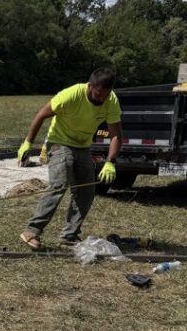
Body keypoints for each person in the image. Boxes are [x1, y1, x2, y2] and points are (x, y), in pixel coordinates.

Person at [18, 67, 123, 250]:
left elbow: (116, 135)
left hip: (82, 145)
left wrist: (110, 162)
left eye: (105, 96)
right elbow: (41, 115)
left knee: (87, 190)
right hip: (59, 141)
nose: (101, 99)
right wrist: (27, 143)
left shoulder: (111, 100)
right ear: (90, 86)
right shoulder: (71, 95)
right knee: (59, 183)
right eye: (98, 95)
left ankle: (69, 236)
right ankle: (31, 231)